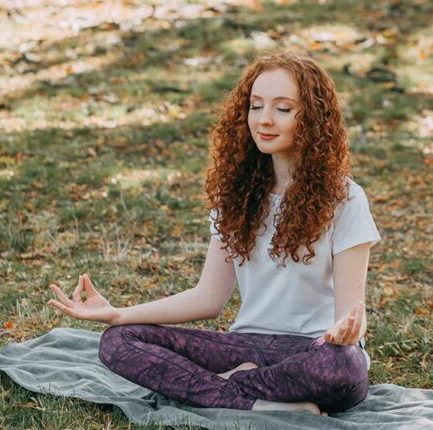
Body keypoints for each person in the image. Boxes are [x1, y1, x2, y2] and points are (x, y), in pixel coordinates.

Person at [47, 51, 381, 416]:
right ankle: (261, 404)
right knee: (119, 342)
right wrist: (118, 314)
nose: (265, 120)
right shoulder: (236, 196)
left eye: (283, 109)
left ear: (313, 119)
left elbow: (352, 312)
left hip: (313, 353)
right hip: (244, 346)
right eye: (256, 106)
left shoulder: (345, 198)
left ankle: (218, 389)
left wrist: (341, 334)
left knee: (342, 365)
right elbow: (208, 298)